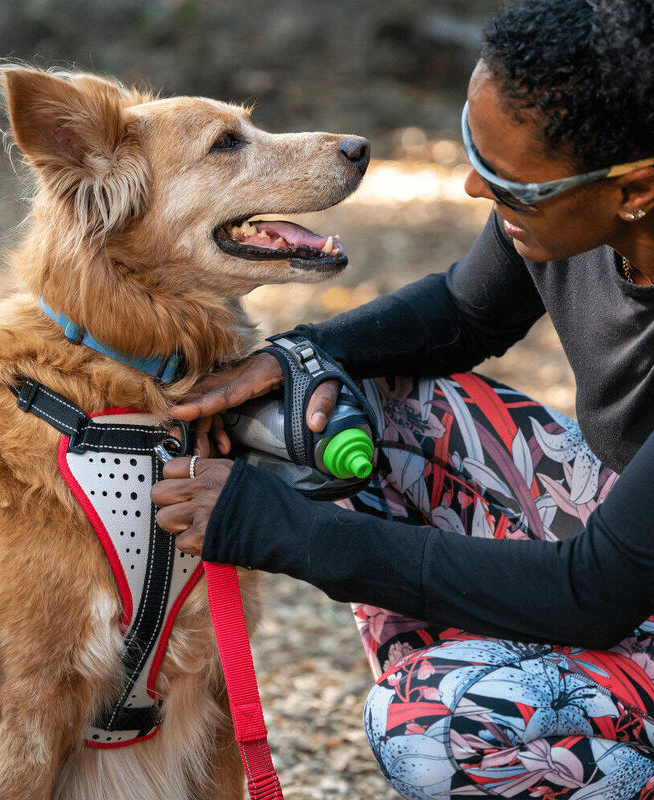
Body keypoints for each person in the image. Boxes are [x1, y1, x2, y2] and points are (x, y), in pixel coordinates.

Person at [150, 1, 654, 796]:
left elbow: (589, 591)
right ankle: (486, 674)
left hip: (613, 585)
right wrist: (302, 354)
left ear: (635, 189)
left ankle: (522, 718)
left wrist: (285, 530)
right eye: (471, 151)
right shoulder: (579, 221)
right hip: (629, 553)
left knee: (429, 733)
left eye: (508, 185)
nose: (470, 187)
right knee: (356, 400)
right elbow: (461, 314)